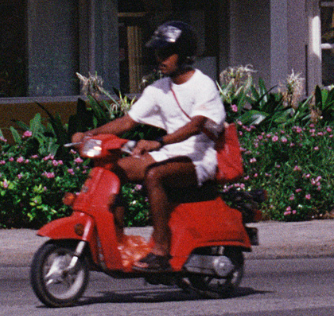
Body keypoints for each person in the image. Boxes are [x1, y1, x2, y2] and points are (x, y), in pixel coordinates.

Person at [77, 21, 225, 270]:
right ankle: (114, 240)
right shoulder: (158, 89)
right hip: (169, 153)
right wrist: (87, 135)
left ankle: (161, 251)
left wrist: (157, 142)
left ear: (185, 54)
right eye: (157, 53)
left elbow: (195, 126)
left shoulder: (203, 85)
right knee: (112, 171)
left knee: (154, 175)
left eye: (166, 53)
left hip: (199, 159)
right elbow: (127, 122)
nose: (160, 59)